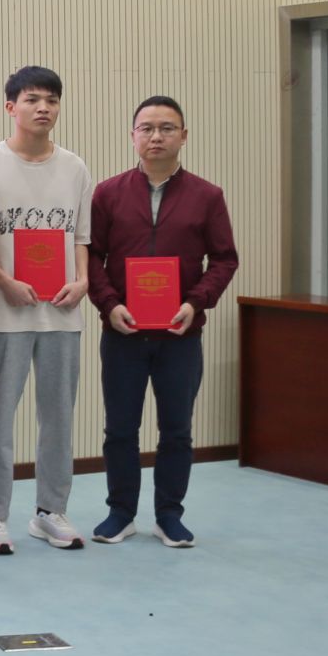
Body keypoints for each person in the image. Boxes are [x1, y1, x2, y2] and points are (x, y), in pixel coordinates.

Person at [86, 96, 238, 547]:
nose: (156, 136)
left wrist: (196, 303)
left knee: (177, 430)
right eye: (147, 128)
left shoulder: (207, 196)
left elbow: (224, 259)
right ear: (133, 136)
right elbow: (91, 256)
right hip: (123, 332)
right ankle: (121, 513)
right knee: (120, 429)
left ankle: (169, 515)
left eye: (167, 128)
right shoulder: (108, 193)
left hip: (180, 335)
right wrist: (109, 305)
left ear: (183, 136)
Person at [0, 66, 95, 554]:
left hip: (61, 312)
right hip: (3, 312)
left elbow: (80, 236)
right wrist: (4, 281)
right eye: (32, 99)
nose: (43, 108)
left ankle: (50, 512)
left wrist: (82, 281)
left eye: (52, 100)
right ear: (11, 107)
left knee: (59, 418)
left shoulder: (75, 167)